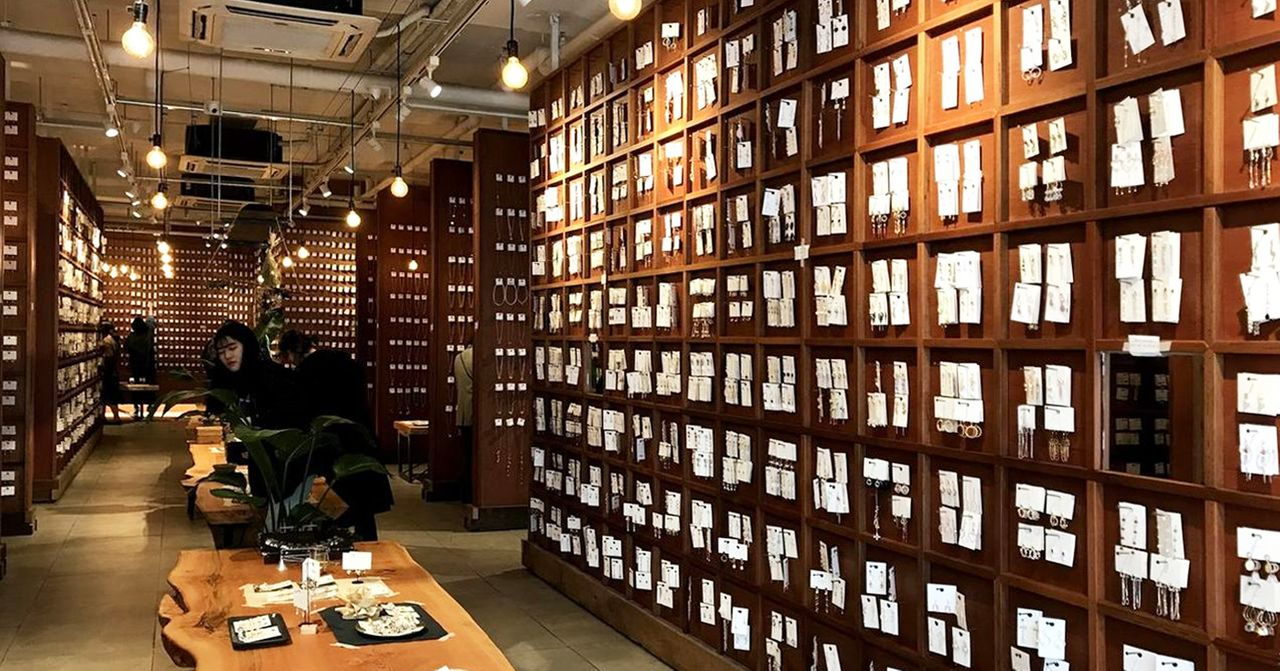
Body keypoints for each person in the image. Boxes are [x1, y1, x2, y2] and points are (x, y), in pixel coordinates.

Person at [279, 329, 393, 541]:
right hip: (360, 438)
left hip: (332, 444)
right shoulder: (347, 363)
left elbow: (306, 412)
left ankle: (333, 542)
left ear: (292, 352)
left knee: (336, 501)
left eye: (288, 358)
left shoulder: (308, 372)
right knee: (363, 503)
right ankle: (369, 546)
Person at [452, 337, 474, 504]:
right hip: (475, 412)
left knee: (466, 453)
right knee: (473, 456)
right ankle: (471, 492)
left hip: (463, 412)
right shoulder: (476, 357)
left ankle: (463, 491)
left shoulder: (458, 358)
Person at [125, 316, 157, 417]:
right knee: (150, 386)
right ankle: (150, 406)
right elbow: (151, 349)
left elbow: (126, 347)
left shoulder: (132, 336)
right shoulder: (148, 335)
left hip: (136, 366)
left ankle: (136, 408)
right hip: (148, 366)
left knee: (136, 388)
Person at [98, 322, 122, 423]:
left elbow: (109, 357)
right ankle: (105, 416)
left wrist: (103, 368)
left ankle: (116, 417)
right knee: (108, 396)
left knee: (109, 395)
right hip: (113, 371)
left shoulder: (106, 341)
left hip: (109, 372)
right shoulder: (113, 339)